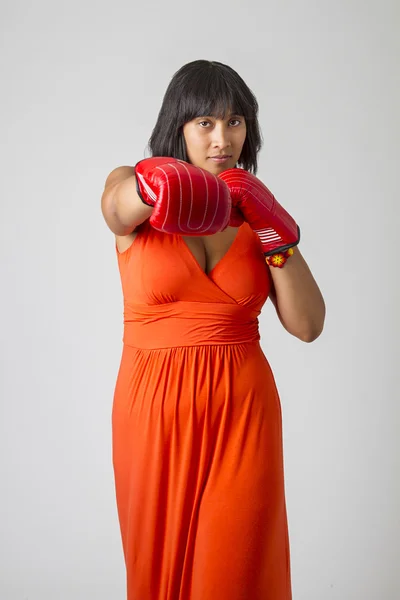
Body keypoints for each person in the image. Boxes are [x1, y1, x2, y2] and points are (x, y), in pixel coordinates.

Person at [101, 59, 326, 600]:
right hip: (152, 412)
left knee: (235, 572)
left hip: (242, 413)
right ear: (176, 126)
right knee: (156, 576)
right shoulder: (133, 187)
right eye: (204, 123)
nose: (222, 138)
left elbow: (308, 324)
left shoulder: (254, 213)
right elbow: (115, 210)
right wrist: (158, 189)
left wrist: (276, 234)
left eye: (235, 122)